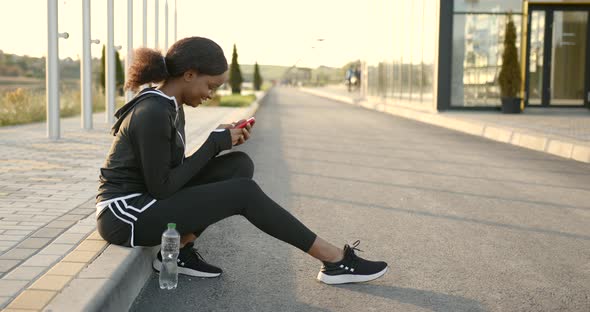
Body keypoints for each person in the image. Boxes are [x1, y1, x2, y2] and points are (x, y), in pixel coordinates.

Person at [95, 36, 388, 285]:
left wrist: (220, 142)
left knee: (238, 166)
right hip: (125, 216)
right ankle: (335, 260)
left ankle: (179, 251)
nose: (211, 94)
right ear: (189, 74)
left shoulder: (170, 107)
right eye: (210, 86)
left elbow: (170, 173)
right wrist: (212, 145)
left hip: (145, 201)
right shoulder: (153, 113)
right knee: (243, 192)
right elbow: (162, 188)